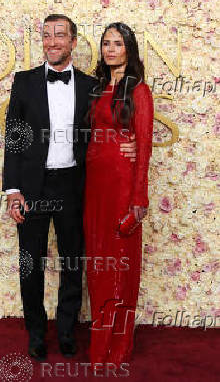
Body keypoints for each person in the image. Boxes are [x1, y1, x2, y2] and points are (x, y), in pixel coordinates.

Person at [2, 15, 137, 361]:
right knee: (30, 263)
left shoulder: (92, 86)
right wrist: (12, 190)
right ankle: (35, 333)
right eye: (46, 36)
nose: (52, 42)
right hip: (32, 187)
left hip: (74, 186)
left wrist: (130, 144)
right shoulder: (24, 81)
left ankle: (65, 330)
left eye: (60, 35)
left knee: (72, 262)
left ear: (73, 42)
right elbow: (14, 138)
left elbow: (112, 123)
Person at [83, 22, 154, 370]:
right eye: (106, 43)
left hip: (123, 189)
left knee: (120, 270)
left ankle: (117, 349)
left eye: (118, 43)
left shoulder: (139, 91)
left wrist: (139, 201)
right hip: (93, 189)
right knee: (98, 269)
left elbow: (144, 148)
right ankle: (98, 348)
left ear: (129, 49)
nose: (111, 49)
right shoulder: (95, 89)